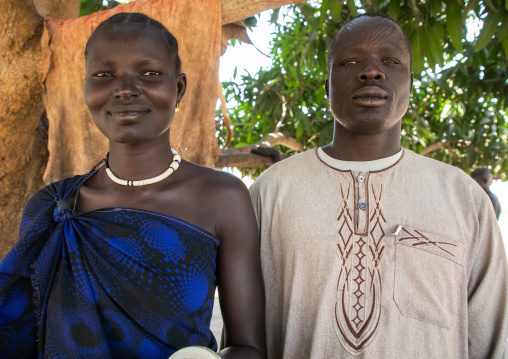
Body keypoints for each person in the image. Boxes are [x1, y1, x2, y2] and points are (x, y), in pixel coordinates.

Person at [0, 13, 265, 359]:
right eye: (104, 75)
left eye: (150, 73)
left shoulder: (223, 197)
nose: (125, 89)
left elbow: (248, 348)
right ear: (86, 88)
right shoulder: (53, 207)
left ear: (179, 87)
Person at [250, 13, 508, 358]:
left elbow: (493, 337)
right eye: (350, 61)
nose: (371, 71)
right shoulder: (270, 193)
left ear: (410, 83)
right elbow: (243, 341)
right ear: (327, 85)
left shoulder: (463, 197)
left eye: (390, 61)